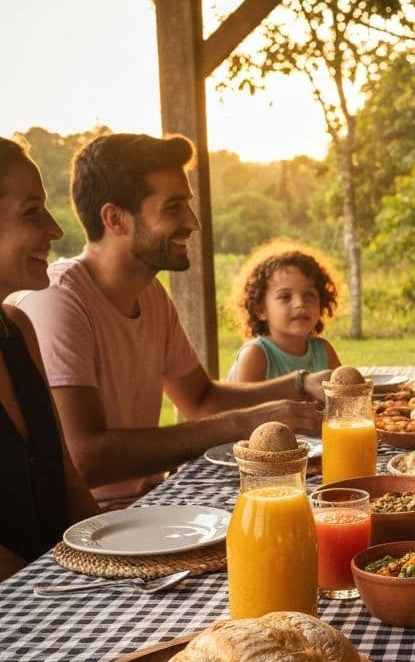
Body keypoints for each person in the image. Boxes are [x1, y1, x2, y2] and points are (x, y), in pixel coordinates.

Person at [19, 133, 329, 511]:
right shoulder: (60, 300)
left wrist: (301, 383)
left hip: (154, 503)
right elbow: (87, 457)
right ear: (115, 219)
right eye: (173, 207)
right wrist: (246, 422)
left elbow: (201, 399)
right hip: (95, 524)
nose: (193, 222)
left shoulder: (150, 294)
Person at [0, 138, 98, 577]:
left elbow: (68, 483)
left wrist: (112, 566)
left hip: (62, 594)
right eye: (31, 211)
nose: (56, 229)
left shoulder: (17, 328)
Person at [227, 242, 341, 382]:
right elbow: (243, 403)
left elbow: (344, 397)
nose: (300, 304)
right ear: (261, 310)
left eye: (309, 295)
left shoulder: (323, 351)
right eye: (285, 297)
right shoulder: (255, 354)